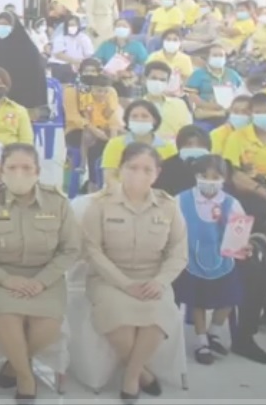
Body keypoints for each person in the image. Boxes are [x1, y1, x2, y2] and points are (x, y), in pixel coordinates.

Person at [0, 142, 77, 402]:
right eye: (12, 167)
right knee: (7, 316)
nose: (19, 173)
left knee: (48, 325)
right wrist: (6, 279)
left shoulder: (57, 202)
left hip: (44, 275)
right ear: (1, 170)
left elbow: (70, 249)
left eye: (26, 167)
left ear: (38, 171)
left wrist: (42, 281)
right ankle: (26, 378)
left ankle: (14, 366)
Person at [80, 142, 188, 403]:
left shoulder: (168, 206)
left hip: (152, 277)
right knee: (118, 319)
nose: (139, 174)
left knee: (159, 312)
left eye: (147, 169)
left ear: (157, 174)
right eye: (132, 167)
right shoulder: (100, 204)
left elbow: (178, 252)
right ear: (121, 169)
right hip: (109, 279)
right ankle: (143, 375)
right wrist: (125, 283)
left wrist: (160, 282)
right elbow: (92, 251)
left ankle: (131, 375)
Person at [172, 156, 244, 365]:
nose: (209, 181)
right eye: (204, 175)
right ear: (196, 176)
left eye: (216, 176)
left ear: (224, 178)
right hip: (192, 259)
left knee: (229, 299)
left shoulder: (232, 203)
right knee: (198, 302)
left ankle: (214, 332)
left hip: (223, 259)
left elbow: (239, 233)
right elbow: (173, 228)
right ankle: (201, 340)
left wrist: (240, 245)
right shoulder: (181, 200)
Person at [65, 57, 123, 188]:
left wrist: (111, 133)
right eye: (86, 71)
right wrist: (93, 129)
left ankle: (113, 181)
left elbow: (112, 116)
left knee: (122, 141)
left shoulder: (108, 90)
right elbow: (72, 116)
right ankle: (93, 184)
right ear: (80, 72)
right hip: (78, 129)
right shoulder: (72, 90)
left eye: (93, 71)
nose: (89, 74)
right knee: (94, 143)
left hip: (105, 127)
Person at [100, 100, 178, 186]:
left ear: (155, 120)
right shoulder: (115, 144)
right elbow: (110, 177)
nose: (139, 120)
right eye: (134, 116)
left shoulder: (168, 148)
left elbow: (172, 179)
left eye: (145, 116)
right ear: (127, 120)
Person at [184, 50, 242, 125]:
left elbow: (241, 93)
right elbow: (191, 96)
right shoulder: (198, 74)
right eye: (215, 55)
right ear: (208, 58)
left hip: (229, 112)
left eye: (221, 55)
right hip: (206, 111)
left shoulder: (232, 74)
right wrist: (208, 105)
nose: (218, 58)